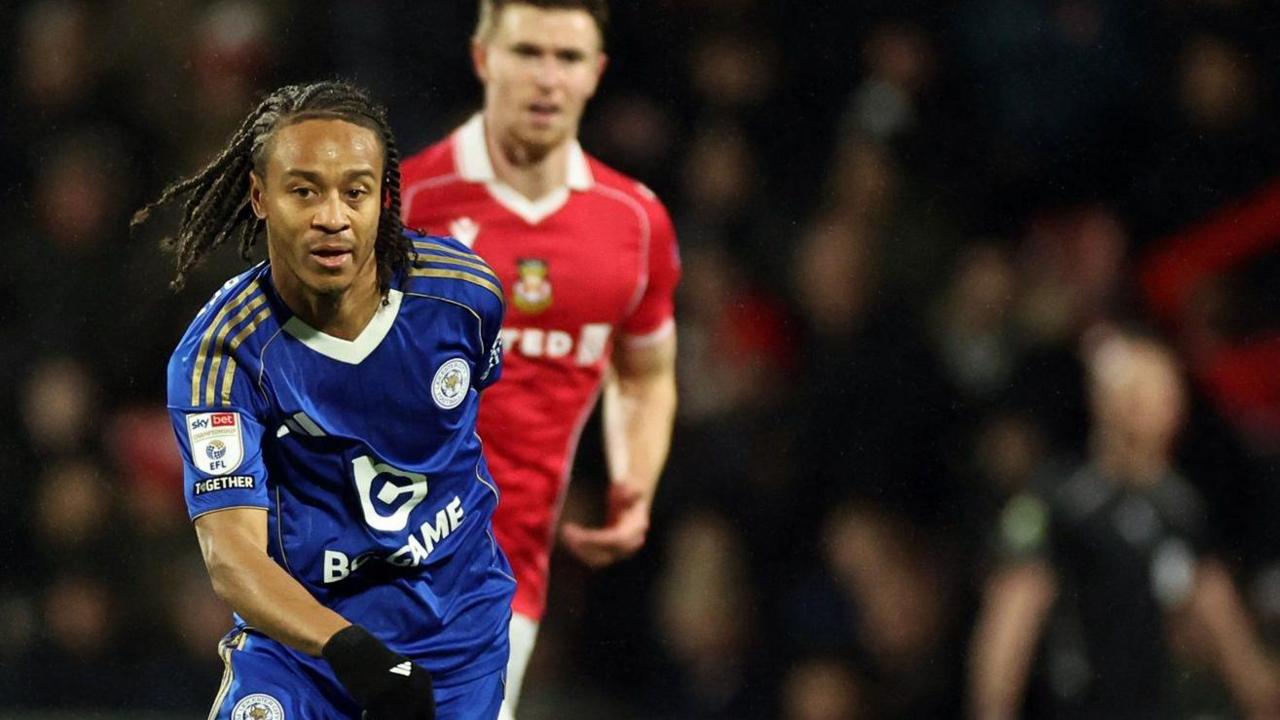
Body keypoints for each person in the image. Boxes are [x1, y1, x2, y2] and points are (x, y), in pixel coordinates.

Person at [136, 81, 514, 720]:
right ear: (260, 196)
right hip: (304, 645)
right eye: (304, 190)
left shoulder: (464, 296)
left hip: (455, 636)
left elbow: (474, 430)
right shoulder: (220, 356)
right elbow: (232, 558)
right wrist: (348, 648)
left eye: (355, 192)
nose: (332, 217)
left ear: (383, 200)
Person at [399, 2, 680, 716]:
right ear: (483, 58)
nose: (547, 78)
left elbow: (645, 372)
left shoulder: (634, 223)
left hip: (502, 573)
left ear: (597, 75)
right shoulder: (405, 205)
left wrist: (635, 485)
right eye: (527, 52)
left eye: (569, 58)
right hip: (361, 556)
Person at [968, 333, 1280, 719]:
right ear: (1109, 404)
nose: (1156, 407)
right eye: (1141, 394)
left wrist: (1260, 695)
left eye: (1164, 393)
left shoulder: (1178, 507)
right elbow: (1012, 616)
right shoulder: (1061, 500)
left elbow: (1218, 614)